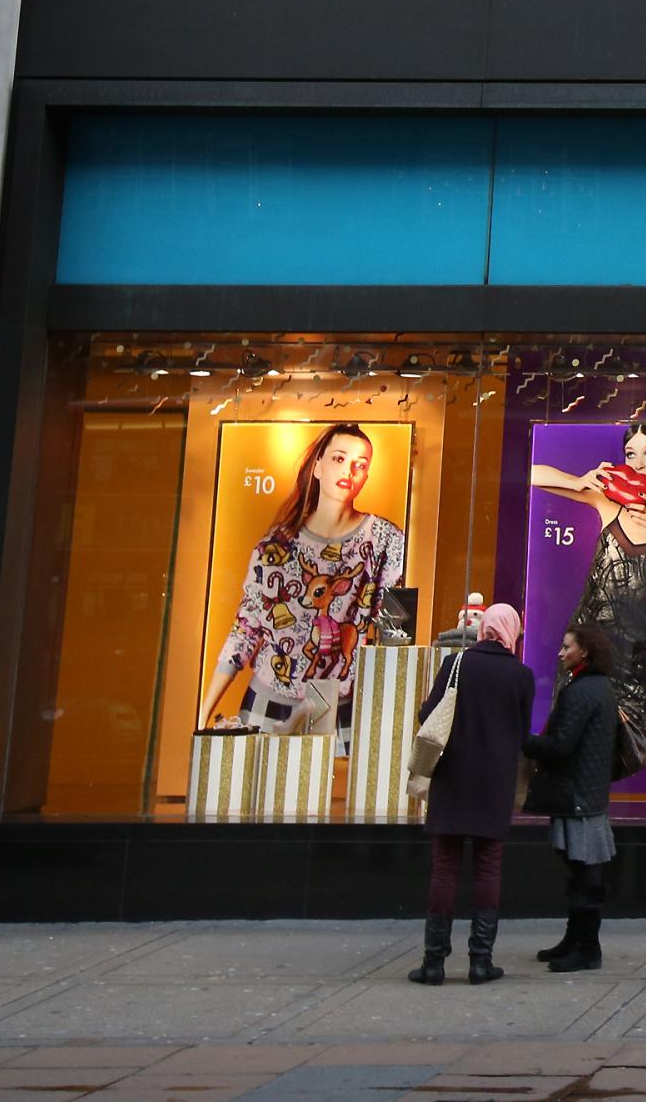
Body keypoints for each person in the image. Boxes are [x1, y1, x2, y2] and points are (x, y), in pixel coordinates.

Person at [202, 422, 407, 741]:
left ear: (367, 476)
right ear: (317, 466)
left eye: (360, 464)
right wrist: (203, 715)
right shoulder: (277, 546)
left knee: (334, 789)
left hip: (341, 709)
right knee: (267, 788)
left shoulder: (386, 541)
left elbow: (393, 629)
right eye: (339, 459)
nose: (349, 471)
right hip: (267, 703)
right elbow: (245, 629)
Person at [529, 423, 646, 749]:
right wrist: (577, 481)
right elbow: (529, 472)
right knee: (572, 750)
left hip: (633, 657)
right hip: (584, 650)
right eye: (630, 454)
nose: (637, 464)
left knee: (633, 753)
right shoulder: (611, 498)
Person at [407, 603, 535, 987]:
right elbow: (523, 734)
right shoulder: (522, 676)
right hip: (494, 781)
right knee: (487, 866)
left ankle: (434, 963)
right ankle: (481, 962)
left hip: (452, 776)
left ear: (483, 629)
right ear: (511, 631)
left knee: (445, 868)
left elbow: (428, 715)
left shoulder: (456, 665)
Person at [525, 622, 621, 974]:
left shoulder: (581, 691)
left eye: (568, 647)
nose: (561, 652)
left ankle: (586, 946)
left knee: (584, 871)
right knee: (581, 870)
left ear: (586, 652)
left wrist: (525, 740)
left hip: (579, 795)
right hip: (587, 792)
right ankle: (576, 939)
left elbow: (561, 744)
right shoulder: (598, 688)